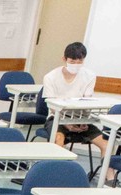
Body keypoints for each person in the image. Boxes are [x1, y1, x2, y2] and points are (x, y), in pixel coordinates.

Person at [41, 42, 116, 184]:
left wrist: (81, 122)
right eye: (72, 61)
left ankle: (109, 180)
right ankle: (53, 177)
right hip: (57, 118)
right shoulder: (50, 77)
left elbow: (87, 102)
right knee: (58, 140)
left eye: (80, 61)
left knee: (107, 144)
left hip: (80, 119)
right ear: (64, 59)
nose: (76, 64)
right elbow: (51, 106)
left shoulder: (89, 75)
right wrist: (68, 125)